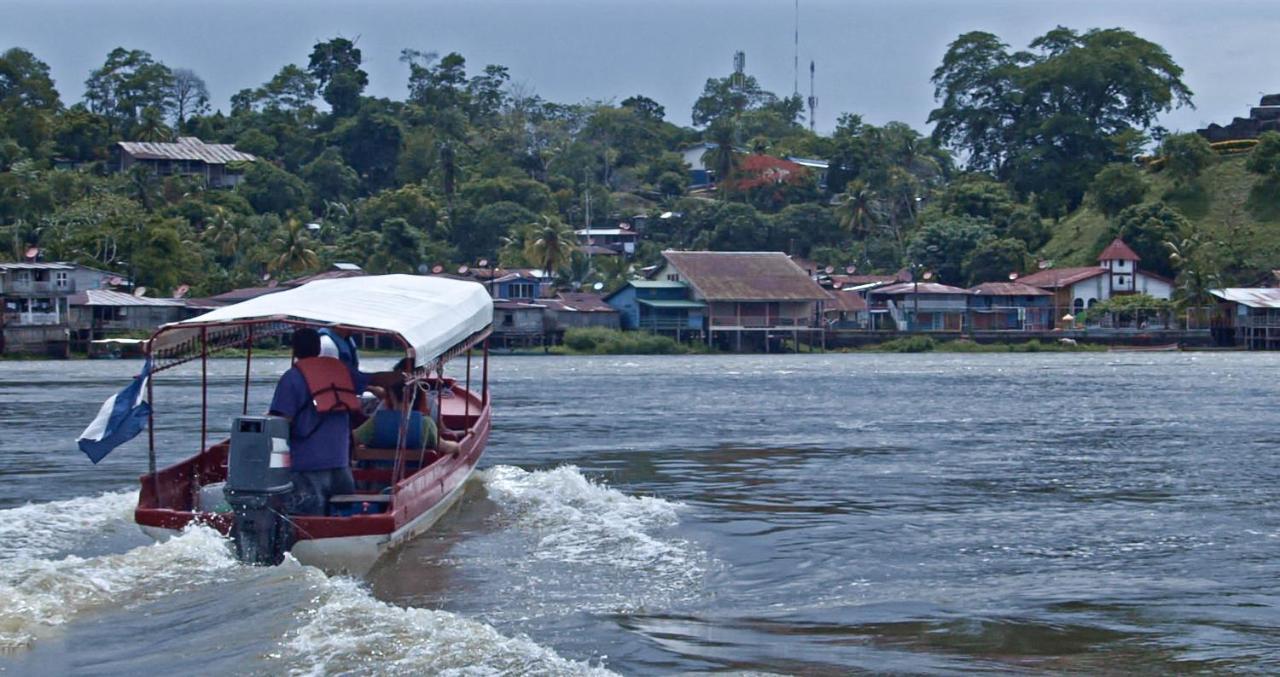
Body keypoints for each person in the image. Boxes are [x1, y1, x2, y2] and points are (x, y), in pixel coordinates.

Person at [269, 327, 378, 515]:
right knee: (343, 518)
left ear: (294, 350)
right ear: (319, 348)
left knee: (308, 520)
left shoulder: (291, 379)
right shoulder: (341, 372)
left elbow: (281, 421)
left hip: (306, 467)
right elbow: (373, 380)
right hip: (339, 463)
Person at [353, 380, 462, 457]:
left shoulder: (375, 422)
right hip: (415, 476)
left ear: (392, 397)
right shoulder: (426, 424)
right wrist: (456, 446)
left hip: (375, 479)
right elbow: (446, 447)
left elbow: (352, 439)